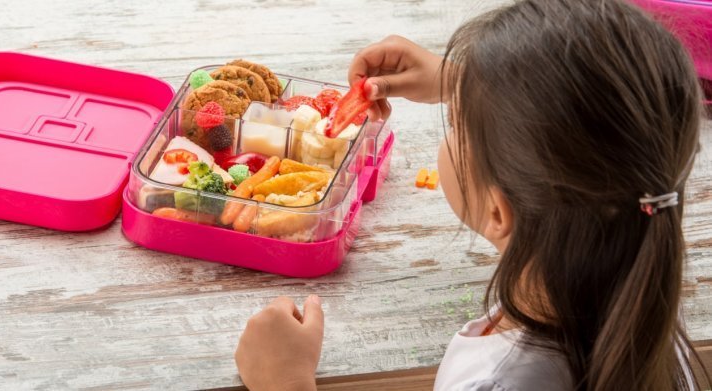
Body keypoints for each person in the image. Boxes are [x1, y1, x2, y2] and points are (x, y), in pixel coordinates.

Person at [234, 0, 710, 389]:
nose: (453, 122)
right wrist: (469, 83)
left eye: (458, 125)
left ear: (499, 211)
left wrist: (286, 383)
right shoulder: (636, 268)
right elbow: (604, 125)